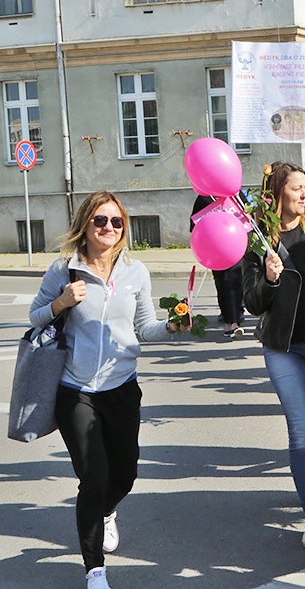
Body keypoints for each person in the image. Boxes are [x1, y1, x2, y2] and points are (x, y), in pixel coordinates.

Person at [30, 191, 191, 589]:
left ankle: (105, 513)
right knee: (94, 478)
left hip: (121, 386)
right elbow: (34, 318)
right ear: (85, 224)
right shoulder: (63, 271)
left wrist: (170, 328)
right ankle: (94, 567)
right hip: (75, 389)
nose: (108, 228)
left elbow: (144, 327)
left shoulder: (135, 272)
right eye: (100, 220)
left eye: (117, 222)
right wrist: (60, 303)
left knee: (125, 475)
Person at [242, 162, 305, 550]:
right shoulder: (256, 240)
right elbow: (252, 303)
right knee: (301, 429)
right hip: (284, 346)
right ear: (277, 193)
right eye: (297, 188)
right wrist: (269, 278)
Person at [190, 194, 245, 338]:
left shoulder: (235, 196)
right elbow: (194, 225)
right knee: (221, 284)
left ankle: (235, 321)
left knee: (233, 281)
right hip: (215, 251)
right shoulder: (204, 199)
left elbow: (248, 218)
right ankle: (228, 320)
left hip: (234, 247)